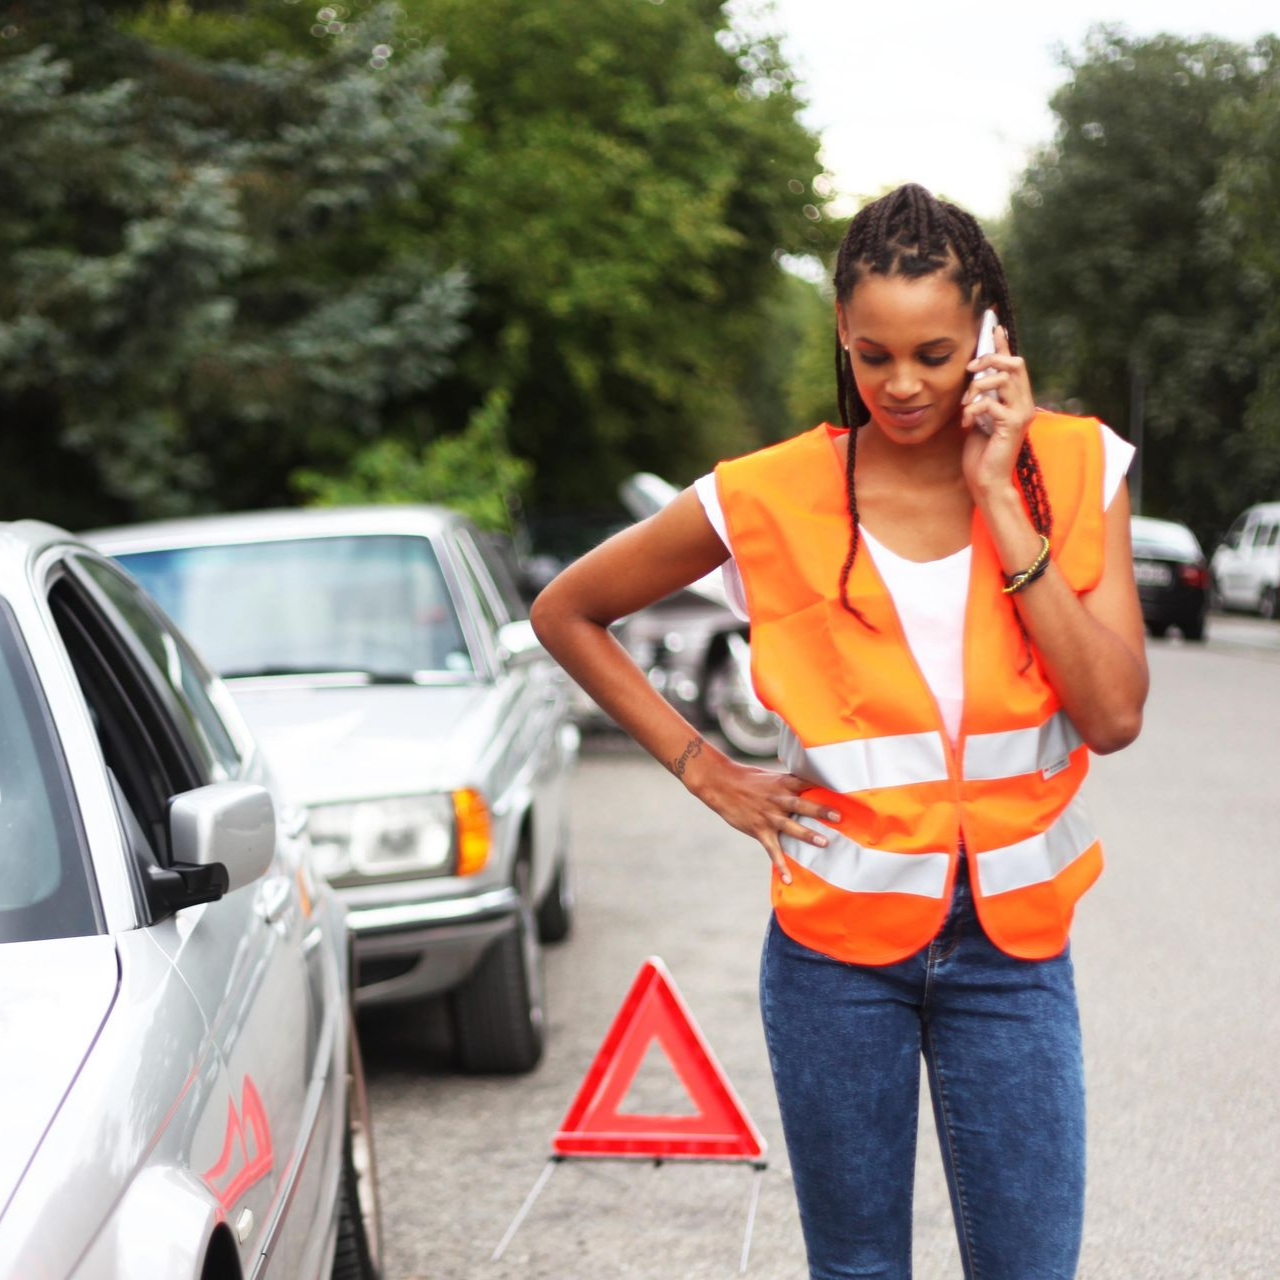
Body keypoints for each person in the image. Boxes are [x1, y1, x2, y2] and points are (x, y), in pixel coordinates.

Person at [530, 183, 1148, 1280]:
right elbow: (565, 611)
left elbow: (1110, 711)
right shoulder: (765, 493)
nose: (901, 384)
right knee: (856, 1269)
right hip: (831, 954)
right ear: (839, 336)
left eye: (934, 351)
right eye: (872, 355)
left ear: (991, 337)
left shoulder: (1076, 464)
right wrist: (702, 766)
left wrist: (1002, 500)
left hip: (1011, 953)